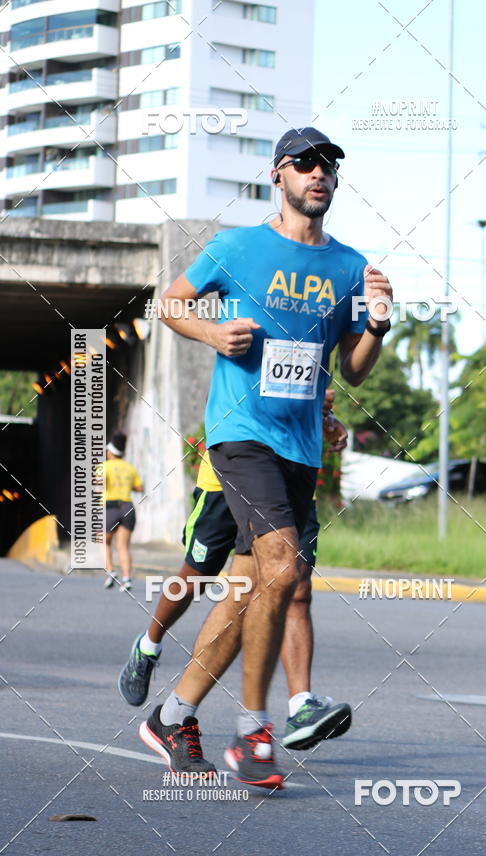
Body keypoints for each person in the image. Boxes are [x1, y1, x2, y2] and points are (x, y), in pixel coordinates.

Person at [140, 126, 393, 788]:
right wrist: (210, 330)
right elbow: (168, 303)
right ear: (277, 175)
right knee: (281, 568)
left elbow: (356, 371)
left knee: (249, 588)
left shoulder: (351, 268)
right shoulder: (237, 248)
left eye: (330, 165)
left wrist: (378, 328)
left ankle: (173, 713)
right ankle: (255, 732)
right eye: (306, 163)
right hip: (239, 432)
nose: (320, 174)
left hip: (300, 445)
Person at [120, 391, 351, 754]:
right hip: (232, 472)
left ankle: (300, 705)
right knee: (197, 576)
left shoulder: (328, 339)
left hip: (291, 476)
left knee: (296, 584)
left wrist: (327, 420)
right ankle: (148, 646)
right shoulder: (250, 334)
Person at [100, 432, 144, 592]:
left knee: (104, 542)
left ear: (110, 452)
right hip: (127, 508)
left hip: (110, 507)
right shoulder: (130, 468)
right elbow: (140, 488)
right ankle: (127, 579)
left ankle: (110, 572)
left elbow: (98, 481)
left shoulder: (104, 466)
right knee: (123, 546)